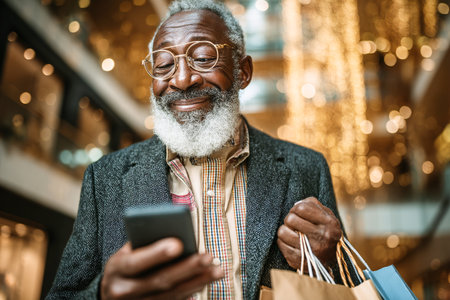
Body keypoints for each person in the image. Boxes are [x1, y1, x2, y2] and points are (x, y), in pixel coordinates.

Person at [47, 1, 343, 299]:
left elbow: (347, 286)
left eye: (203, 58)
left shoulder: (306, 167)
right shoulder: (105, 178)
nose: (182, 79)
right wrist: (102, 294)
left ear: (243, 71)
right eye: (164, 65)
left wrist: (331, 263)